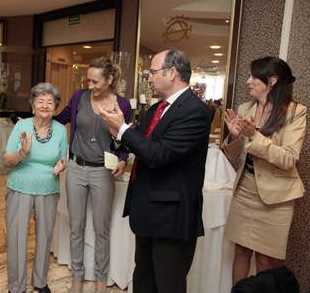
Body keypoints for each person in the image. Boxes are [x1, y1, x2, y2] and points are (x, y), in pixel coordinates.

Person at [99, 49, 212, 293]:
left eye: (152, 72)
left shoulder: (195, 111)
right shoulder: (157, 109)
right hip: (148, 210)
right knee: (143, 280)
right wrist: (117, 132)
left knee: (168, 284)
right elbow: (138, 143)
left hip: (171, 216)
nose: (149, 78)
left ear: (172, 73)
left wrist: (123, 130)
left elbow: (158, 155)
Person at [222, 56, 306, 284]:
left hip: (275, 198)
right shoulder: (245, 108)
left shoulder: (295, 112)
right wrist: (235, 137)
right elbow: (234, 157)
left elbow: (289, 158)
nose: (248, 81)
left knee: (265, 261)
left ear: (272, 81)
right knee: (240, 252)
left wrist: (254, 135)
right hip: (245, 191)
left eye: (253, 77)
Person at [55, 57, 131, 293]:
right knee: (76, 226)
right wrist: (39, 117)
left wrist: (121, 159)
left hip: (102, 172)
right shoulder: (79, 97)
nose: (90, 85)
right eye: (88, 80)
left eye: (95, 81)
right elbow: (62, 119)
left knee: (101, 229)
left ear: (109, 80)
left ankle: (100, 279)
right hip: (76, 168)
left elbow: (123, 139)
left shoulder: (123, 104)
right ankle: (77, 277)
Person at [3, 83, 67, 293]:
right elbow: (6, 160)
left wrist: (61, 165)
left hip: (48, 187)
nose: (45, 105)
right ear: (32, 105)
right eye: (40, 101)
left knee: (45, 236)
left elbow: (63, 157)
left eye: (50, 102)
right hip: (20, 185)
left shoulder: (60, 130)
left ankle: (40, 281)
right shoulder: (21, 127)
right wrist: (22, 152)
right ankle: (16, 286)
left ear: (56, 108)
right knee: (17, 237)